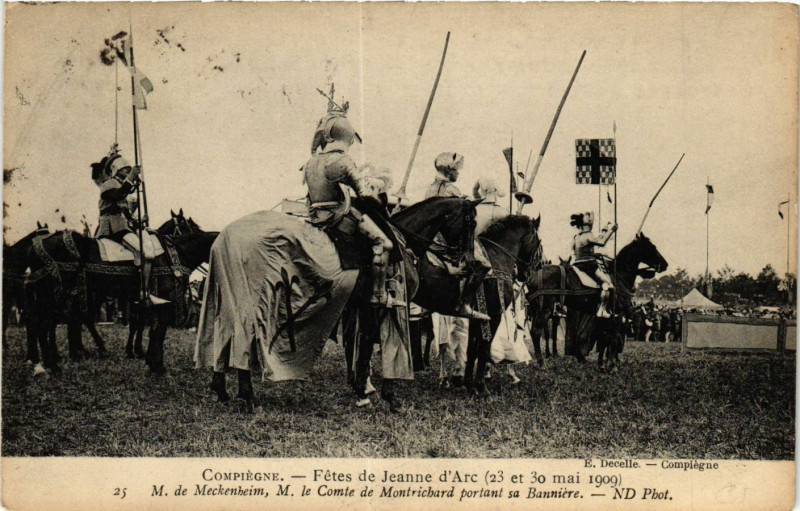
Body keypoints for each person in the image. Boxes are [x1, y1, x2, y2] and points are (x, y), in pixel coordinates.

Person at [303, 103, 404, 309]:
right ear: (348, 137)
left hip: (314, 218)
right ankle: (379, 294)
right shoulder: (343, 160)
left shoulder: (310, 162)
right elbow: (364, 194)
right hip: (338, 218)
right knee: (384, 244)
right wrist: (379, 202)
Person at [93, 146, 167, 305]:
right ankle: (144, 293)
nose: (127, 172)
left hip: (122, 226)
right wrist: (131, 177)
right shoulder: (109, 184)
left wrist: (140, 221)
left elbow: (126, 213)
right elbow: (117, 194)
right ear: (116, 170)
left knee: (146, 249)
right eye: (125, 170)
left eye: (128, 170)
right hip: (112, 228)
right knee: (147, 252)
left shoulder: (121, 188)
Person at [570, 211, 617, 318]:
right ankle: (602, 310)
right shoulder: (588, 235)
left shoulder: (576, 237)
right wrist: (612, 230)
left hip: (577, 264)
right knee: (608, 285)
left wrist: (605, 229)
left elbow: (577, 249)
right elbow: (601, 242)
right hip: (589, 265)